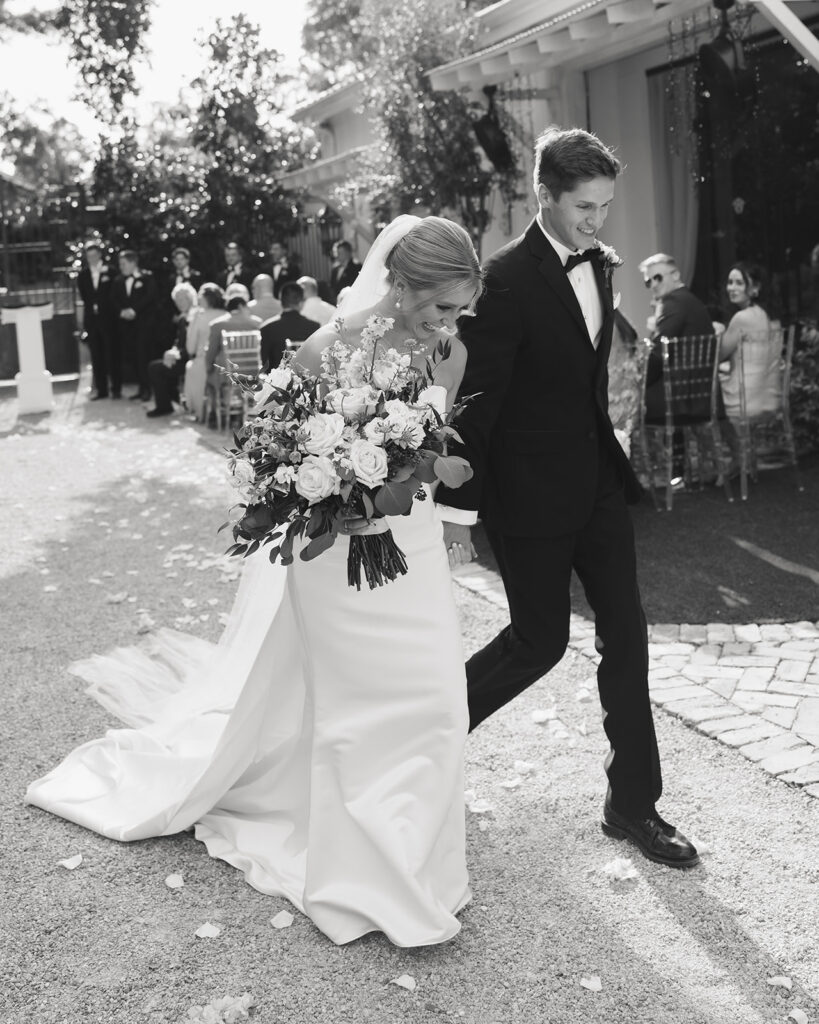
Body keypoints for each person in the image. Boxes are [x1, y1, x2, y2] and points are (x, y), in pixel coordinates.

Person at [26, 214, 483, 948]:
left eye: (458, 309)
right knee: (355, 716)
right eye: (436, 306)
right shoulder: (323, 348)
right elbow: (266, 447)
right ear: (397, 284)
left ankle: (419, 860)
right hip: (334, 562)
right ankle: (366, 873)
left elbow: (430, 450)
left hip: (412, 547)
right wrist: (322, 481)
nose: (447, 323)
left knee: (434, 701)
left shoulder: (449, 354)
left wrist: (406, 478)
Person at [436, 126, 698, 869]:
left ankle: (633, 805)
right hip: (527, 499)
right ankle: (424, 740)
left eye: (605, 207)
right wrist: (460, 514)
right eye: (584, 207)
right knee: (538, 641)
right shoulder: (505, 279)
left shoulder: (602, 265)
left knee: (628, 637)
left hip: (596, 488)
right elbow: (477, 405)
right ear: (542, 196)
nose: (597, 222)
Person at [640, 253, 714, 424]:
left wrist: (641, 380)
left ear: (675, 275)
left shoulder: (673, 302)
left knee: (624, 406)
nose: (653, 285)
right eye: (648, 281)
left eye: (658, 277)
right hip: (698, 395)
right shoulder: (689, 299)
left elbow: (659, 354)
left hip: (679, 399)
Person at [717, 262, 779, 420]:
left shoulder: (741, 318)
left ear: (755, 288)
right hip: (765, 394)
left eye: (739, 283)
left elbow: (718, 356)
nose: (732, 288)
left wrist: (718, 331)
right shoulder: (762, 314)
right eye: (730, 282)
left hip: (743, 398)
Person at [110, 249, 159, 402]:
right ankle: (140, 387)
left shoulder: (146, 278)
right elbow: (113, 299)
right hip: (127, 327)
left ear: (132, 263)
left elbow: (150, 297)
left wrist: (134, 310)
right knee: (133, 358)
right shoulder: (118, 281)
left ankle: (147, 389)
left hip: (144, 325)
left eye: (123, 264)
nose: (121, 267)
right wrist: (121, 311)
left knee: (144, 357)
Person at [145, 282, 199, 419]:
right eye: (177, 300)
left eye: (183, 299)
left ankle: (165, 406)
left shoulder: (195, 317)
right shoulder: (182, 319)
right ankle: (170, 403)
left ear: (191, 299)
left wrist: (176, 355)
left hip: (193, 360)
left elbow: (192, 346)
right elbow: (178, 343)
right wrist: (173, 352)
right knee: (158, 365)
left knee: (155, 368)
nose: (180, 303)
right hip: (183, 356)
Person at [76, 242, 116, 400]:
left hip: (109, 320)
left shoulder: (111, 272)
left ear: (100, 255)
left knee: (112, 354)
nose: (91, 259)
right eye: (89, 256)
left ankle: (116, 387)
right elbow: (85, 297)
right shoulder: (83, 275)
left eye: (94, 255)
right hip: (92, 321)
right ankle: (101, 389)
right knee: (96, 356)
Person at [184, 283, 228, 422]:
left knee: (191, 366)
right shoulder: (227, 315)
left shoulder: (199, 317)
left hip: (204, 363)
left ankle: (199, 411)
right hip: (227, 365)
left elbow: (190, 348)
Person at [204, 292, 262, 397]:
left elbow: (211, 353)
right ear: (241, 306)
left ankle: (217, 406)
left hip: (228, 375)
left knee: (211, 368)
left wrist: (208, 368)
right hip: (253, 373)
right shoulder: (257, 323)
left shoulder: (217, 324)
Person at [259, 282, 320, 372]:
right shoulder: (314, 327)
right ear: (301, 302)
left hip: (275, 382)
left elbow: (265, 364)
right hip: (306, 382)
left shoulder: (267, 328)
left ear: (281, 301)